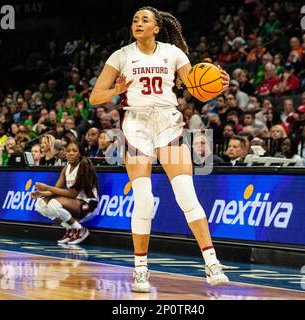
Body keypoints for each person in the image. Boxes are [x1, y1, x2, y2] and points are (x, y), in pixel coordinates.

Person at [89, 6, 230, 292]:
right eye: (134, 20)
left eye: (145, 20)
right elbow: (95, 97)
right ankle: (140, 269)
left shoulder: (173, 53)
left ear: (156, 27)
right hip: (137, 126)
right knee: (142, 197)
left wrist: (217, 84)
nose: (138, 24)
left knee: (186, 193)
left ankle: (212, 262)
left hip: (168, 123)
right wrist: (115, 90)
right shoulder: (121, 56)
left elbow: (196, 85)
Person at [31, 141, 100, 245]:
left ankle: (80, 229)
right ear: (65, 152)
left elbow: (72, 194)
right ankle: (70, 228)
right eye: (68, 151)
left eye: (74, 151)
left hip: (89, 205)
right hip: (75, 203)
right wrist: (42, 194)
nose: (71, 153)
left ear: (80, 153)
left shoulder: (84, 166)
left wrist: (47, 187)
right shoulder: (66, 167)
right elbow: (56, 189)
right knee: (39, 204)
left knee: (54, 203)